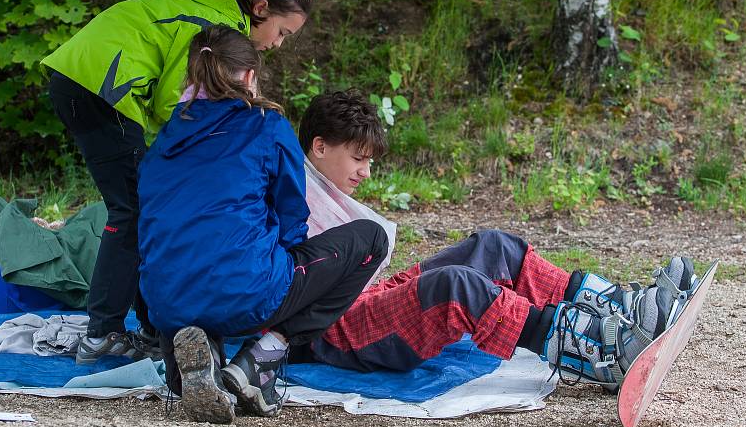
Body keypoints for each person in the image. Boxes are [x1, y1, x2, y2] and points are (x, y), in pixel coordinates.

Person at [296, 90, 698, 390]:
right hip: (336, 330)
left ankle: (623, 306)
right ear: (320, 146)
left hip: (363, 299)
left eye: (370, 161)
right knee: (455, 288)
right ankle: (602, 350)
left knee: (494, 246)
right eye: (358, 158)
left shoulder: (320, 193)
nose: (366, 172)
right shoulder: (290, 201)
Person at [40, 0, 312, 365]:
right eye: (282, 32)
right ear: (260, 8)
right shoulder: (213, 27)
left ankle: (144, 326)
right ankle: (106, 334)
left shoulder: (208, 4)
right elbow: (182, 104)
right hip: (96, 85)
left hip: (79, 77)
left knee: (140, 204)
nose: (277, 44)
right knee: (135, 209)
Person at [136, 26, 388, 424]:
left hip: (165, 300)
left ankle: (201, 365)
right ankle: (263, 356)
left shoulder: (164, 139)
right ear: (250, 77)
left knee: (196, 271)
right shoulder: (266, 125)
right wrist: (287, 265)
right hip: (245, 290)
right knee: (371, 238)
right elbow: (292, 215)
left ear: (192, 76)